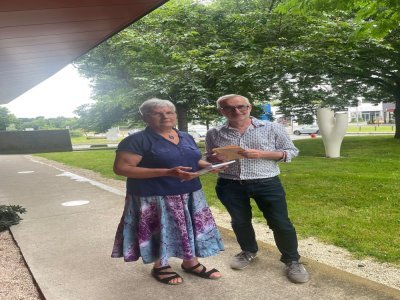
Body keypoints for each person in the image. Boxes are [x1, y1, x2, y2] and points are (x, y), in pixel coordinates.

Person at [111, 98, 224, 285]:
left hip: (190, 194)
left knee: (188, 229)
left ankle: (191, 262)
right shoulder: (136, 140)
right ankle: (161, 266)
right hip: (154, 196)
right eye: (157, 113)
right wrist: (167, 172)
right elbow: (122, 168)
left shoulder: (185, 136)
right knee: (160, 229)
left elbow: (193, 160)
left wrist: (209, 165)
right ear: (145, 117)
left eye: (169, 112)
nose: (165, 116)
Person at [205, 94, 309, 284]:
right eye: (229, 108)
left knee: (280, 223)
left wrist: (261, 154)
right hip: (230, 184)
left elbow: (291, 152)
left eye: (241, 107)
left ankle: (292, 260)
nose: (236, 111)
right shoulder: (215, 133)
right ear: (221, 111)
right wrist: (214, 161)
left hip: (266, 183)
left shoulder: (272, 128)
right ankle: (248, 251)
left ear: (249, 107)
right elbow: (209, 157)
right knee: (240, 221)